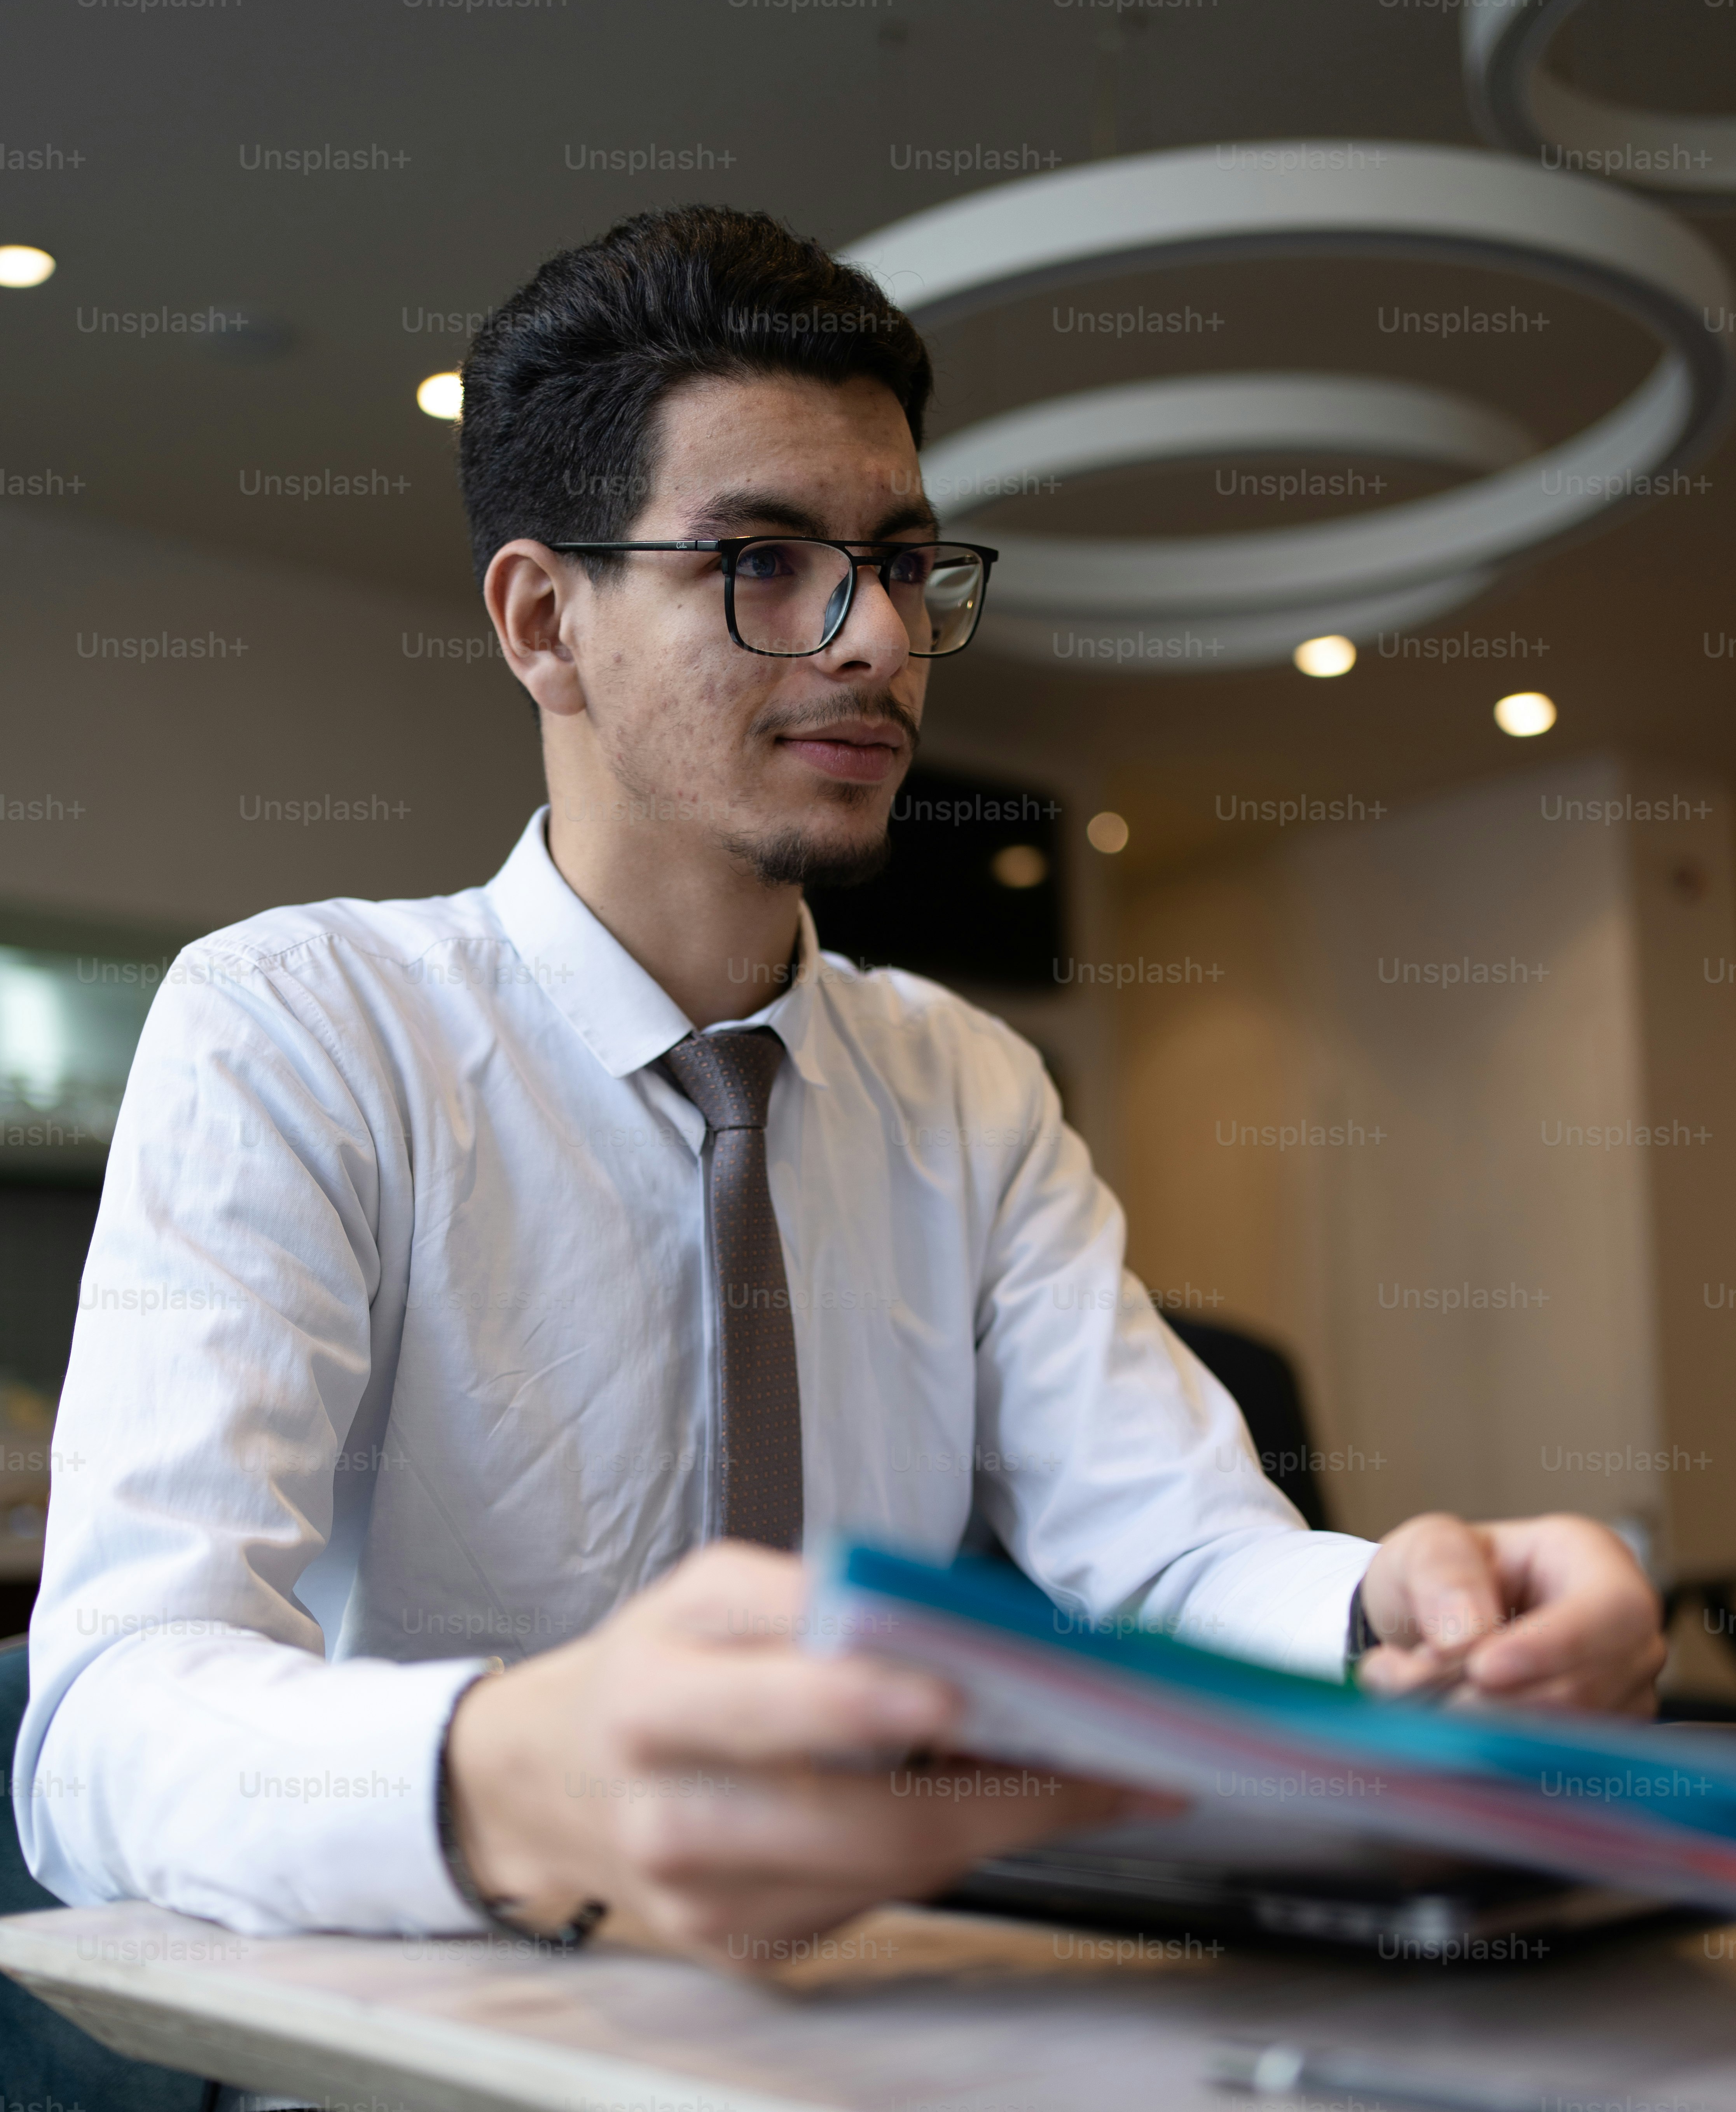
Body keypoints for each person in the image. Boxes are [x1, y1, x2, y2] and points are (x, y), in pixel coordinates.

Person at [16, 206, 1664, 1964]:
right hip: (437, 2009)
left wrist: (1399, 1608)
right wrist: (517, 1767)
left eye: (898, 561)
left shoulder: (967, 1081)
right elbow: (111, 1716)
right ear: (544, 621)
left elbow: (1172, 1557)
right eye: (765, 559)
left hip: (880, 1999)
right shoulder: (301, 1024)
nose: (875, 637)